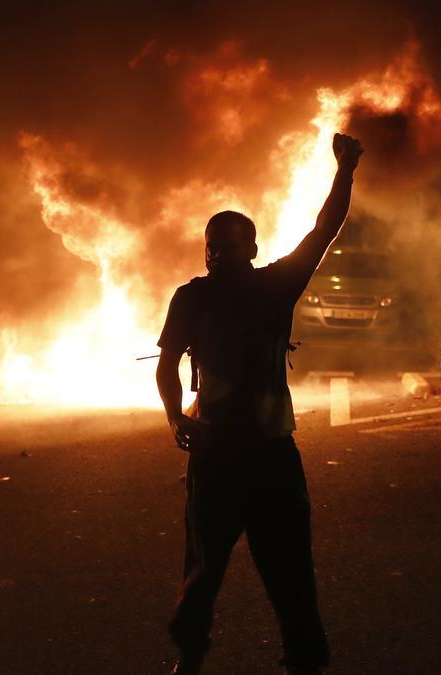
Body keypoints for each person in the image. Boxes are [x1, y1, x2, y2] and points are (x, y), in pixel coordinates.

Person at [155, 133, 364, 675]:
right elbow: (325, 229)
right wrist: (344, 169)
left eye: (225, 245)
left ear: (239, 250)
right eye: (217, 245)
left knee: (222, 569)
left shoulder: (216, 292)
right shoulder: (252, 288)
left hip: (237, 456)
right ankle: (281, 660)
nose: (220, 253)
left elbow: (167, 367)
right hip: (251, 455)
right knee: (262, 569)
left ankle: (203, 659)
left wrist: (178, 417)